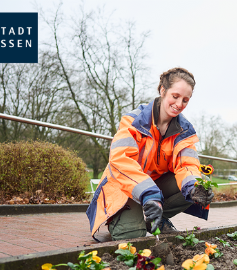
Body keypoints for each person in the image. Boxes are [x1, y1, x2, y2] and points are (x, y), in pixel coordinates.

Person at [87, 67, 214, 241]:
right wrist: (149, 194)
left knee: (200, 184)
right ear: (163, 90)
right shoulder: (133, 122)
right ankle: (125, 218)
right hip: (125, 186)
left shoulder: (184, 132)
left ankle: (157, 216)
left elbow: (187, 165)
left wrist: (194, 188)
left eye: (185, 100)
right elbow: (120, 161)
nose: (179, 104)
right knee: (132, 236)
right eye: (175, 96)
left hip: (154, 187)